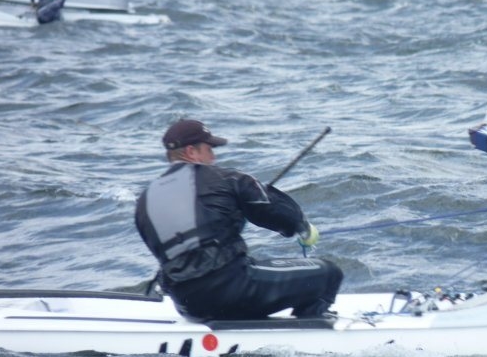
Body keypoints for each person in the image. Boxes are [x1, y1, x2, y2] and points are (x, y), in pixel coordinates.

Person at [135, 118, 343, 322]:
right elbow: (280, 214)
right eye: (209, 149)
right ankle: (312, 326)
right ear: (191, 152)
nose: (213, 157)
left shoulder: (145, 200)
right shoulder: (227, 179)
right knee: (329, 274)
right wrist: (304, 228)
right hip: (233, 291)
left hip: (186, 304)